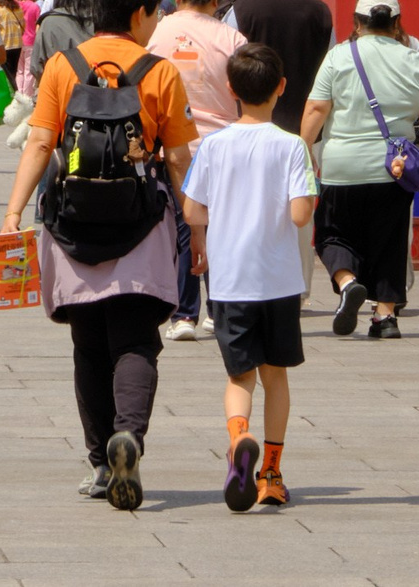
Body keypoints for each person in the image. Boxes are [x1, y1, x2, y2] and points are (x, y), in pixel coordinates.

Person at [0, 0, 196, 512]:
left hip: (72, 224)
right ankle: (127, 435)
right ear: (138, 13)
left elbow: (40, 143)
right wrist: (194, 227)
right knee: (134, 340)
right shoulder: (160, 72)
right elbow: (178, 157)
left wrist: (13, 213)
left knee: (87, 346)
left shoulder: (63, 67)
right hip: (139, 222)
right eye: (154, 11)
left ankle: (99, 464)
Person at [183, 41, 316, 512]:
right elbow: (300, 215)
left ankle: (240, 436)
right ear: (281, 88)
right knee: (275, 377)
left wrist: (202, 238)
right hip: (278, 280)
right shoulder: (292, 146)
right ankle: (272, 474)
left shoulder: (213, 145)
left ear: (231, 89)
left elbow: (191, 208)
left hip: (229, 280)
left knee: (240, 378)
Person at [303, 0, 419, 339]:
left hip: (342, 167)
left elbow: (317, 109)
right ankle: (385, 317)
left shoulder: (338, 57)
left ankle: (348, 280)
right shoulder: (414, 59)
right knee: (389, 240)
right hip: (393, 169)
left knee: (332, 235)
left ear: (356, 21)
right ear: (397, 22)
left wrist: (302, 151)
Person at [147, 0, 243, 339]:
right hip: (220, 145)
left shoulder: (156, 33)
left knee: (184, 227)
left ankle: (184, 314)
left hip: (172, 145)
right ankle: (218, 310)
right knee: (220, 229)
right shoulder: (232, 38)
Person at [229, 0, 334, 137]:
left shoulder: (241, 9)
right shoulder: (320, 12)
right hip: (306, 131)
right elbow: (330, 69)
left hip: (253, 127)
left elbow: (228, 61)